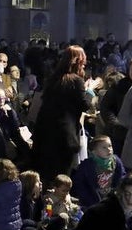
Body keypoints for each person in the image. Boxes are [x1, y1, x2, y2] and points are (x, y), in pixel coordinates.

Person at [32, 45, 94, 185]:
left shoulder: (53, 79)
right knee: (62, 176)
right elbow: (84, 105)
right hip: (64, 136)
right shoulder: (76, 81)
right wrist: (90, 90)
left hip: (45, 132)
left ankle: (47, 203)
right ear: (78, 62)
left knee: (48, 175)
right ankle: (59, 203)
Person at [72, 135, 126, 207]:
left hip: (112, 198)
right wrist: (87, 199)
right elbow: (80, 183)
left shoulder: (116, 161)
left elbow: (122, 177)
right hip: (92, 200)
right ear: (94, 152)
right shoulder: (87, 165)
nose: (109, 149)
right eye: (104, 147)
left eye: (110, 146)